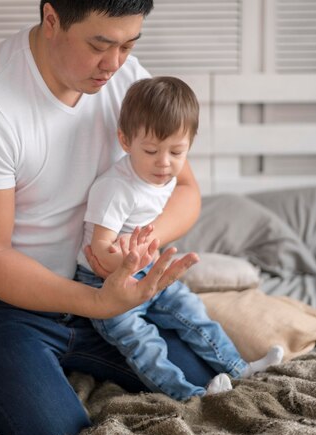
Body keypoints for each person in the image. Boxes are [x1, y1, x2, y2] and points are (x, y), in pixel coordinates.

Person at [0, 0, 216, 435]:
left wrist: (134, 248)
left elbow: (185, 189)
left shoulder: (127, 77)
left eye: (129, 44)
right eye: (100, 44)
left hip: (93, 289)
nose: (115, 62)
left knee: (201, 384)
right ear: (52, 19)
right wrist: (100, 302)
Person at [76, 77, 284, 399]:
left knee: (192, 311)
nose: (164, 163)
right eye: (151, 150)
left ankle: (238, 368)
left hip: (150, 269)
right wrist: (131, 263)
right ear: (125, 140)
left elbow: (180, 199)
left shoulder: (168, 175)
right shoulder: (114, 188)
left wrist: (148, 264)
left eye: (176, 151)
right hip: (107, 281)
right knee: (143, 343)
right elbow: (98, 248)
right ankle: (189, 396)